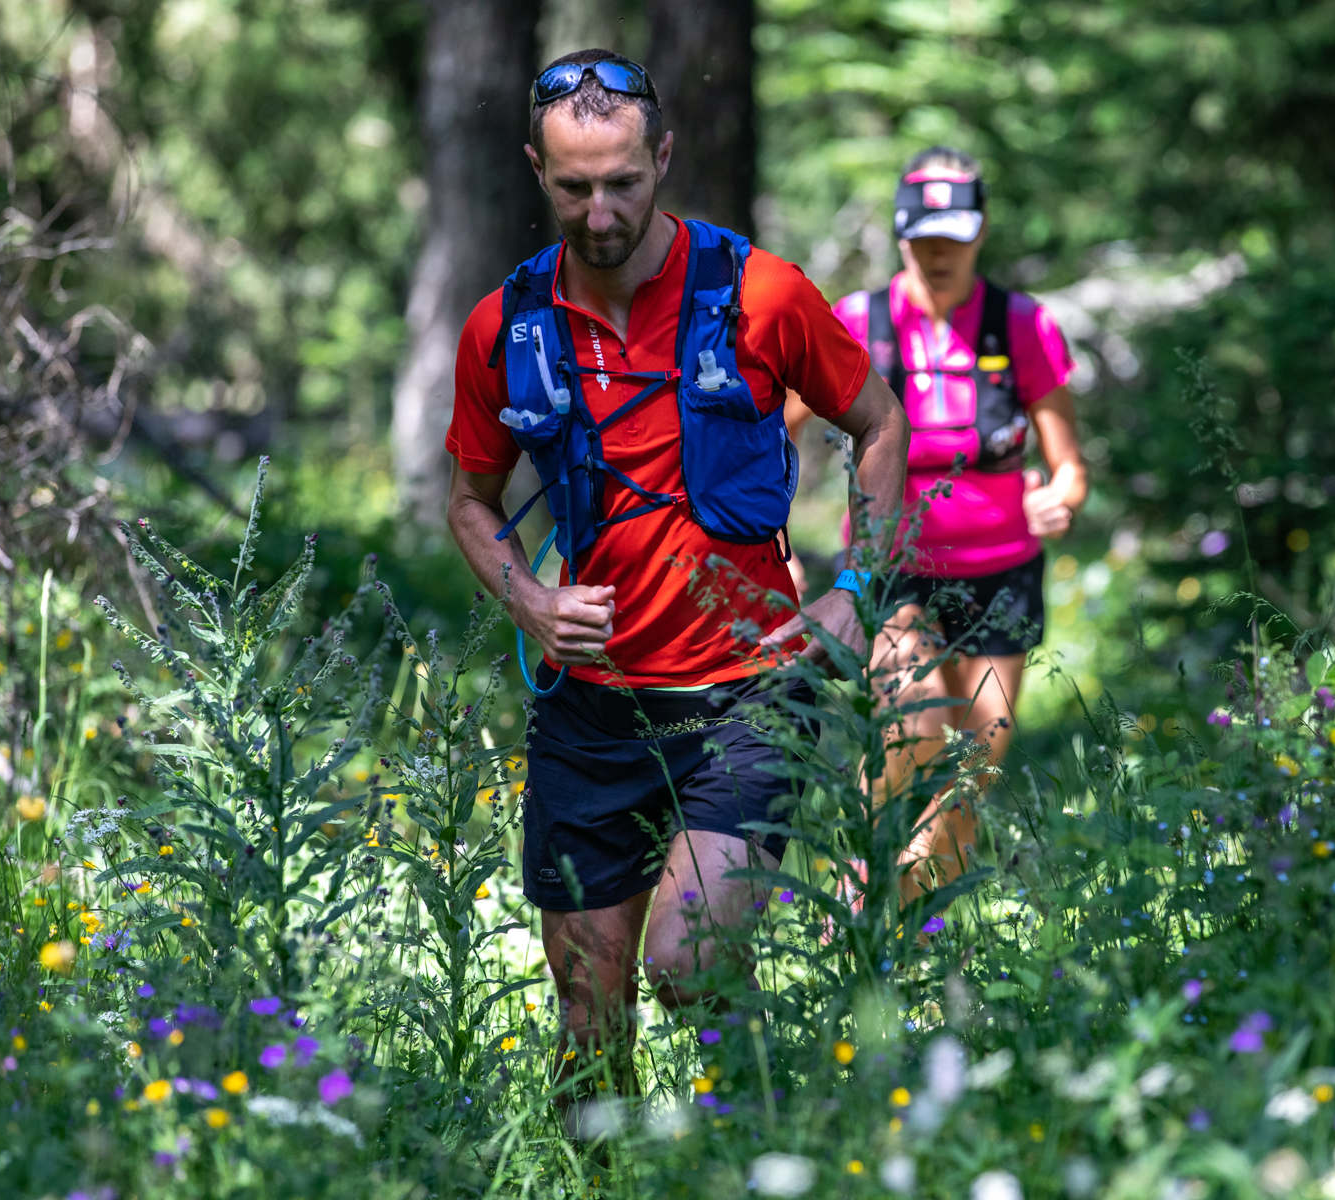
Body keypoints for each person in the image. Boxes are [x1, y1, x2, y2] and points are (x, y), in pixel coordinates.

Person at [443, 49, 908, 1090]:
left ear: (663, 154)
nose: (599, 211)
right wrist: (530, 602)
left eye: (622, 181)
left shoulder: (762, 294)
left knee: (692, 966)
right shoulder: (506, 328)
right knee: (585, 1019)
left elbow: (879, 424)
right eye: (572, 186)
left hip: (747, 698)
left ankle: (748, 1150)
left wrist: (857, 586)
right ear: (535, 169)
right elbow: (471, 505)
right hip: (591, 712)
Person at [787, 146, 1087, 898]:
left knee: (975, 762)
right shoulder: (855, 324)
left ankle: (907, 926)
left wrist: (1063, 496)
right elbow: (772, 438)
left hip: (1001, 572)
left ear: (981, 233)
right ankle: (859, 895)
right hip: (894, 566)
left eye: (956, 237)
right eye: (926, 239)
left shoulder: (1022, 326)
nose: (941, 255)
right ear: (900, 237)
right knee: (910, 733)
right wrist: (775, 539)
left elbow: (1069, 464)